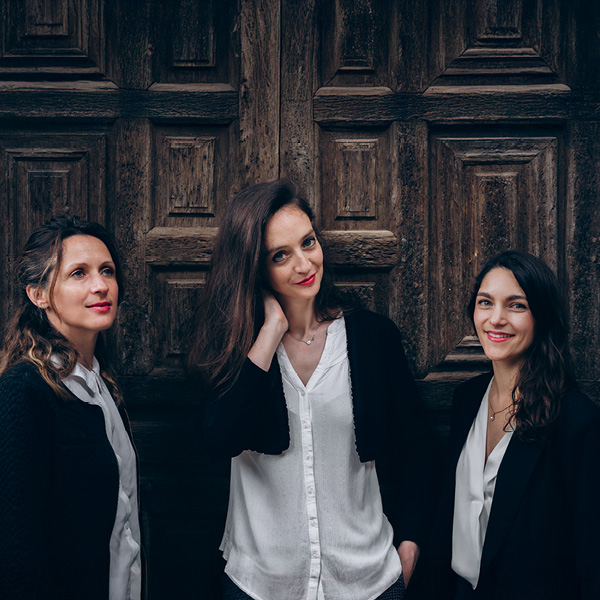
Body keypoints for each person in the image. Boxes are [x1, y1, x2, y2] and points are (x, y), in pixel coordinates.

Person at [189, 180, 434, 600]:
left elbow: (417, 447)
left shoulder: (373, 337)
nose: (304, 264)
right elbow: (219, 439)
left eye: (308, 243)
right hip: (259, 585)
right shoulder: (234, 347)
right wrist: (270, 332)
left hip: (368, 582)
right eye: (280, 255)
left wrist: (410, 542)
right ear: (254, 268)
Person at [409, 250, 600, 600]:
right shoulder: (467, 399)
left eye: (516, 305)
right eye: (486, 302)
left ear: (542, 316)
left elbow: (591, 558)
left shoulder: (577, 422)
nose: (496, 319)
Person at [0, 215, 143, 600]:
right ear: (39, 295)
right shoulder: (23, 391)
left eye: (107, 271)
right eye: (78, 273)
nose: (101, 285)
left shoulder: (103, 385)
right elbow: (16, 549)